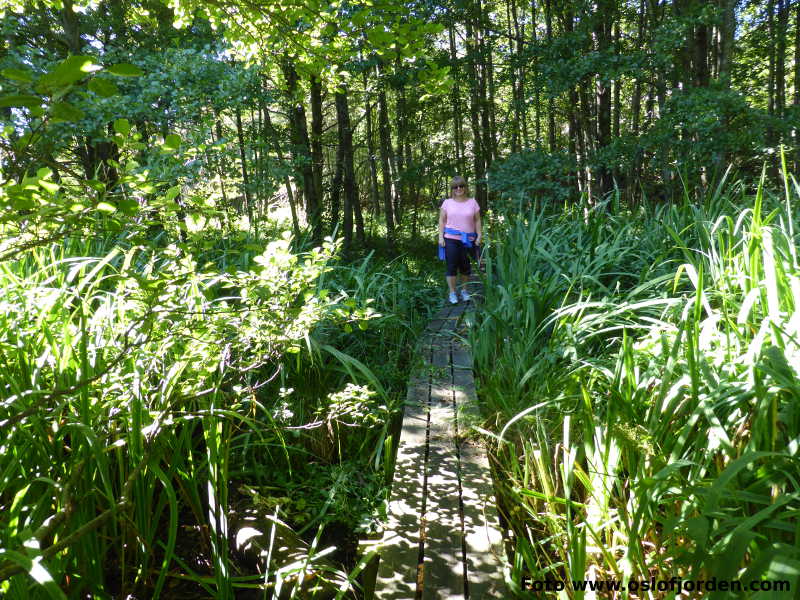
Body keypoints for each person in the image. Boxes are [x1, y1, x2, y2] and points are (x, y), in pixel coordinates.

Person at [438, 175, 482, 304]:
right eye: (455, 187)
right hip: (451, 239)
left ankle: (464, 291)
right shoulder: (447, 203)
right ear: (452, 189)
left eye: (461, 186)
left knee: (465, 266)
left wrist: (479, 235)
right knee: (451, 266)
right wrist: (440, 236)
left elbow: (478, 220)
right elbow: (441, 220)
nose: (459, 189)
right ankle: (452, 293)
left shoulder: (473, 202)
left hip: (468, 239)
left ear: (465, 187)